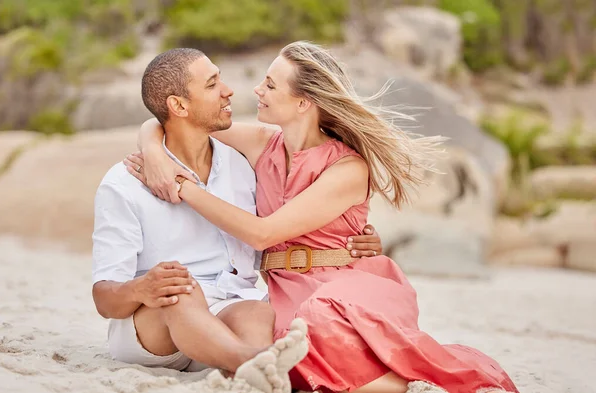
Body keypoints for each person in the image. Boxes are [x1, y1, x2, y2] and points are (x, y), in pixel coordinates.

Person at [128, 42, 519, 393]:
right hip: (283, 290)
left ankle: (405, 383)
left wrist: (185, 188)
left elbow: (263, 234)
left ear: (303, 103)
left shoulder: (348, 168)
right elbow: (172, 122)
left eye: (270, 85)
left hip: (344, 285)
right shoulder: (263, 143)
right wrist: (155, 152)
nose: (257, 91)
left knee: (318, 320)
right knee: (280, 349)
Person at [92, 47, 382, 393]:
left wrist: (349, 241)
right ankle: (253, 360)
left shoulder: (244, 167)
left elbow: (280, 226)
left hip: (225, 316)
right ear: (180, 106)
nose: (230, 90)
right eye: (213, 84)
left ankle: (253, 370)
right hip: (153, 330)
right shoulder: (126, 182)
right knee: (182, 290)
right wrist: (142, 288)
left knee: (257, 313)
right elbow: (104, 299)